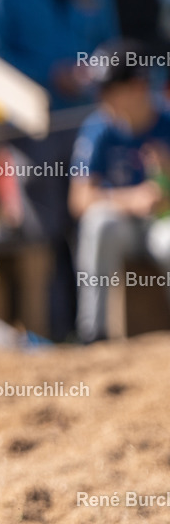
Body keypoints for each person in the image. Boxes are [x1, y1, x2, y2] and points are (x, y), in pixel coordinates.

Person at [0, 0, 119, 341]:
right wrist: (50, 75)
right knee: (42, 234)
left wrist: (94, 72)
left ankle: (94, 330)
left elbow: (110, 44)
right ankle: (47, 332)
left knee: (92, 224)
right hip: (30, 130)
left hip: (88, 122)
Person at [70, 40, 170, 343]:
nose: (102, 99)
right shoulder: (98, 127)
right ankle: (93, 335)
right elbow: (79, 200)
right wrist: (133, 199)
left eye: (109, 90)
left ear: (138, 87)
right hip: (122, 226)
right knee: (99, 222)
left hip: (161, 224)